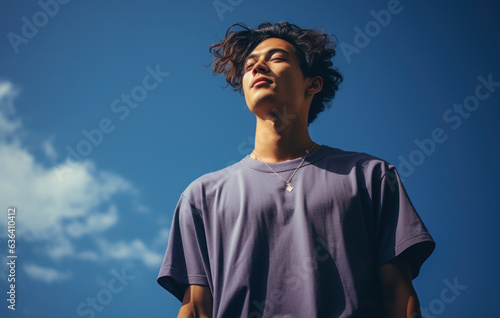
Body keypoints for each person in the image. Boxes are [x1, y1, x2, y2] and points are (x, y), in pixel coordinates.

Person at [157, 21, 435, 318]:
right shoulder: (202, 196)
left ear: (312, 84)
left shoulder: (369, 176)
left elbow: (398, 295)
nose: (258, 66)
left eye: (276, 58)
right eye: (250, 64)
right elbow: (196, 308)